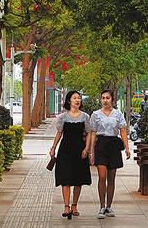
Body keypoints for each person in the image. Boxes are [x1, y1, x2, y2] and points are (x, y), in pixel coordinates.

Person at [87, 88, 130, 219]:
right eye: (103, 98)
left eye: (107, 98)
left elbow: (123, 131)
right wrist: (91, 151)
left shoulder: (118, 114)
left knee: (111, 178)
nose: (105, 100)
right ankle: (101, 206)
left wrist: (127, 148)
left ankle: (109, 206)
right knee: (102, 176)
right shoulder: (95, 115)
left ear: (112, 99)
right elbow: (93, 132)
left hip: (113, 145)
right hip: (101, 145)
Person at [50, 90, 92, 219]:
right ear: (69, 100)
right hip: (65, 151)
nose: (77, 100)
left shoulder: (85, 116)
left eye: (79, 98)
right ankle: (66, 206)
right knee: (65, 178)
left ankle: (74, 205)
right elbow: (59, 133)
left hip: (80, 151)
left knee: (78, 179)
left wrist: (87, 149)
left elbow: (89, 133)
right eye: (74, 98)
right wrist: (53, 148)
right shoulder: (62, 117)